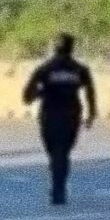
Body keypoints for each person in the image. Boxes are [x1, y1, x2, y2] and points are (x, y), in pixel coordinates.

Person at [23, 33, 97, 205]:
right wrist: (91, 114)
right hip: (71, 116)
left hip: (49, 116)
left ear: (54, 48)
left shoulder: (44, 69)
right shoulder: (80, 69)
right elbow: (90, 93)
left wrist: (41, 92)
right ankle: (59, 186)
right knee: (63, 152)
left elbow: (26, 97)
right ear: (72, 48)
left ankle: (57, 186)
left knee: (54, 152)